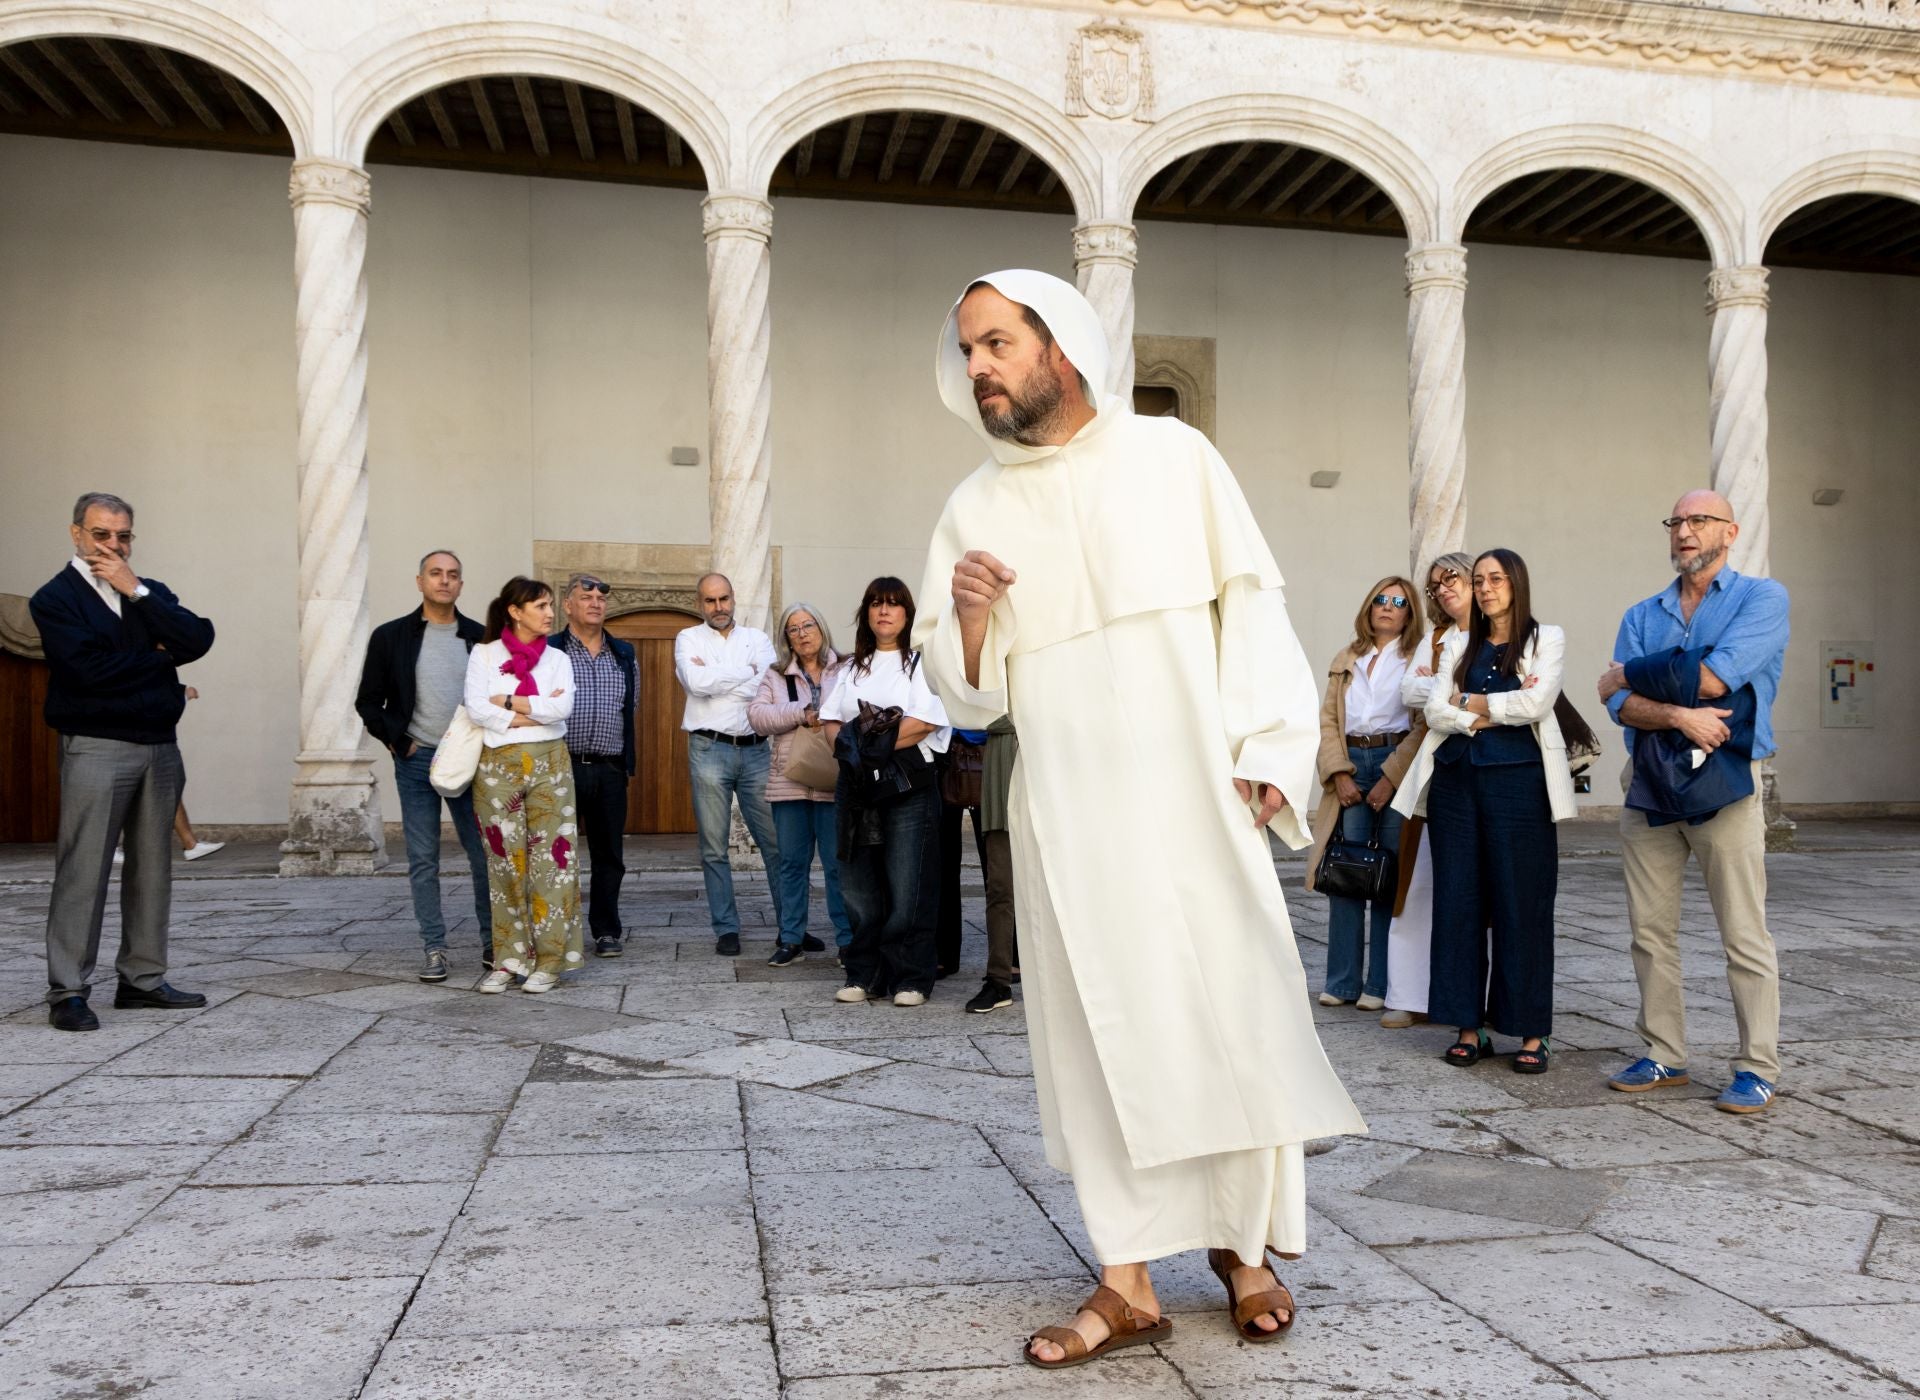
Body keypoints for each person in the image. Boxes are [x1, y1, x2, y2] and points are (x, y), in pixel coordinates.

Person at [918, 272, 1363, 1368]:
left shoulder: (1177, 460)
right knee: (1096, 1030)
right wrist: (972, 620)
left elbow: (1252, 605)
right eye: (969, 349)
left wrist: (1269, 749)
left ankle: (1242, 1249)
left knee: (1226, 1008)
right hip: (1069, 811)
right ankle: (1124, 1278)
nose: (977, 366)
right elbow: (970, 693)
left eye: (997, 345)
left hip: (1193, 794)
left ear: (1060, 347)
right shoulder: (973, 506)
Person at [1598, 490, 1790, 1114]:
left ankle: (1757, 1066)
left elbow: (1718, 677)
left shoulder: (1762, 598)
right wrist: (1680, 712)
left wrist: (1632, 675)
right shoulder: (1642, 613)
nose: (1684, 530)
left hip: (1727, 783)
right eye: (1676, 521)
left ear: (1729, 532)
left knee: (1743, 932)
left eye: (1698, 520)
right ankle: (1664, 1053)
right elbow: (1616, 705)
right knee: (1650, 931)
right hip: (1649, 782)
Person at [31, 492, 214, 1032]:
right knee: (83, 870)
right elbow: (86, 671)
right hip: (95, 745)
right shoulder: (55, 598)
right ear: (76, 534)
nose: (112, 545)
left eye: (123, 536)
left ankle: (143, 980)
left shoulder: (146, 593)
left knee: (153, 868)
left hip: (159, 746)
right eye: (101, 534)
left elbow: (197, 636)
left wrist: (134, 590)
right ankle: (67, 989)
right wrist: (159, 664)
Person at [1393, 549, 1578, 1074]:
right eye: (1479, 580)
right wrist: (1486, 715)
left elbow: (1535, 706)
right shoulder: (1457, 640)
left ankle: (1531, 1031)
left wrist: (1469, 702)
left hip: (1520, 788)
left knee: (1523, 904)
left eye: (1496, 579)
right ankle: (1468, 1027)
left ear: (1516, 583)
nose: (1487, 588)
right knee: (1458, 903)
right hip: (1456, 783)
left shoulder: (1547, 639)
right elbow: (1433, 709)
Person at [355, 550, 492, 981]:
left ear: (461, 585)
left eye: (453, 575)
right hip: (416, 761)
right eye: (436, 574)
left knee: (484, 854)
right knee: (423, 858)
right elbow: (367, 701)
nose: (444, 581)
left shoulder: (481, 638)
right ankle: (434, 947)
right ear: (420, 581)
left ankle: (494, 943)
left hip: (470, 761)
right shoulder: (391, 636)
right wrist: (398, 741)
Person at [822, 578, 950, 1007]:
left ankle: (911, 976)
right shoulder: (849, 668)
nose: (884, 611)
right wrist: (860, 749)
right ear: (866, 613)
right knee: (858, 883)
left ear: (907, 614)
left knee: (907, 880)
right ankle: (864, 972)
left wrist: (867, 744)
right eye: (876, 603)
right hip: (855, 785)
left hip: (907, 785)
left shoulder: (921, 665)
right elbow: (830, 725)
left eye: (894, 604)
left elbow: (924, 723)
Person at [1306, 577, 1424, 1011]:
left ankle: (1381, 985)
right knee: (1347, 872)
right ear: (1369, 606)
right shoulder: (1346, 658)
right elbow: (1327, 722)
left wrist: (1391, 777)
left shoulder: (1419, 659)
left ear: (1410, 613)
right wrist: (1338, 772)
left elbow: (1422, 725)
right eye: (1381, 599)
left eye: (1399, 602)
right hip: (1352, 763)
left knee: (1387, 877)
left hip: (1395, 761)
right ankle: (1341, 982)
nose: (1388, 607)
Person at [467, 576, 580, 994]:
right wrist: (535, 712)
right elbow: (478, 708)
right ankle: (509, 959)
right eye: (541, 606)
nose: (550, 613)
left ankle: (550, 959)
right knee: (504, 863)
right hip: (498, 766)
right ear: (515, 611)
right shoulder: (483, 654)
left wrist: (510, 703)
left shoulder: (558, 659)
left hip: (551, 762)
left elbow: (563, 707)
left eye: (551, 605)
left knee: (554, 862)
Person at [1380, 551, 1476, 1029]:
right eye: (1436, 584)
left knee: (1479, 886)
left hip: (1486, 769)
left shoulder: (1499, 633)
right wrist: (1460, 690)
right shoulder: (1436, 638)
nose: (1443, 588)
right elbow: (1407, 692)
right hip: (1433, 769)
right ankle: (1409, 994)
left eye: (1452, 577)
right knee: (1416, 883)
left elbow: (1515, 691)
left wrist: (1438, 687)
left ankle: (1474, 997)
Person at [674, 573, 782, 957]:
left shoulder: (758, 639)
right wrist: (746, 674)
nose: (718, 607)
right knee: (714, 846)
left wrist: (720, 677)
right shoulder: (688, 639)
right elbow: (695, 682)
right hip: (709, 750)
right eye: (709, 601)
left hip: (756, 750)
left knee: (775, 843)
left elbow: (769, 685)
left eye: (723, 599)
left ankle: (791, 926)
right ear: (699, 603)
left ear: (733, 599)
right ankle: (726, 928)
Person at [748, 602, 844, 966]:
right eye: (794, 628)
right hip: (788, 784)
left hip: (835, 781)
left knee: (838, 865)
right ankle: (791, 938)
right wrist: (802, 715)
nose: (802, 633)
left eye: (808, 625)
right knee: (791, 863)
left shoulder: (847, 668)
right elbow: (757, 717)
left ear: (821, 628)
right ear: (786, 638)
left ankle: (847, 940)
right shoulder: (776, 676)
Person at [557, 573, 638, 959]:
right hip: (561, 767)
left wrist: (624, 765)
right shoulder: (549, 651)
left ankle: (606, 930)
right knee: (558, 853)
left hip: (608, 769)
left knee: (609, 856)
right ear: (567, 605)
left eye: (600, 598)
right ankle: (560, 927)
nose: (594, 602)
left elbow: (630, 708)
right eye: (584, 595)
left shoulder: (624, 654)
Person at [965, 715, 1022, 1014]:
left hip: (1053, 766)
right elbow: (977, 711)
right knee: (1000, 884)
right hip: (1004, 765)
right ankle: (998, 979)